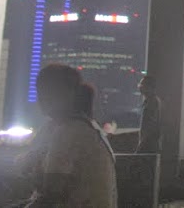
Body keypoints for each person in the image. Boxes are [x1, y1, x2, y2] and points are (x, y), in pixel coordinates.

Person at [24, 63, 117, 207]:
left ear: (67, 94)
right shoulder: (87, 127)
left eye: (46, 92)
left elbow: (50, 196)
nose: (41, 99)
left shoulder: (69, 132)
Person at [136, 75, 162, 154]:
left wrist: (142, 144)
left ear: (149, 87)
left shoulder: (152, 102)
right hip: (149, 144)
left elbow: (149, 126)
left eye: (142, 85)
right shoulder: (152, 101)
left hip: (148, 145)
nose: (139, 87)